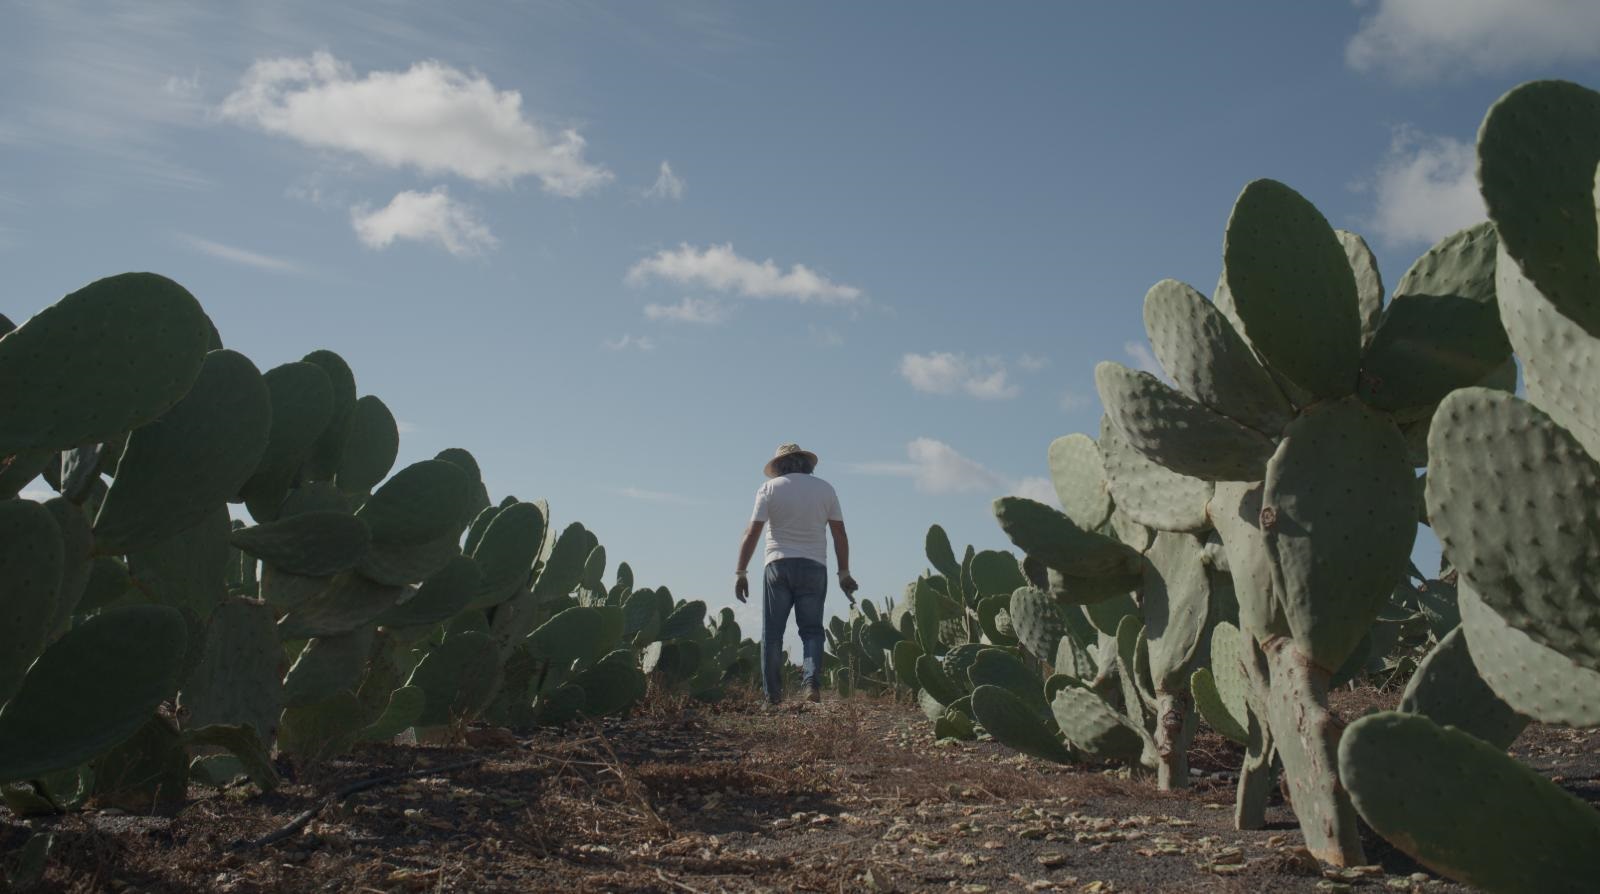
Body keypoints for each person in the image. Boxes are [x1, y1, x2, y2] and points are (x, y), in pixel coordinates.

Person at [734, 443, 859, 705]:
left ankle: (772, 697)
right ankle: (811, 683)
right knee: (812, 631)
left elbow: (752, 532)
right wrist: (844, 572)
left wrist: (741, 571)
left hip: (777, 565)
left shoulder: (769, 488)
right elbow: (840, 533)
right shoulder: (825, 489)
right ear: (806, 463)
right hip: (814, 566)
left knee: (772, 634)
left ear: (779, 465)